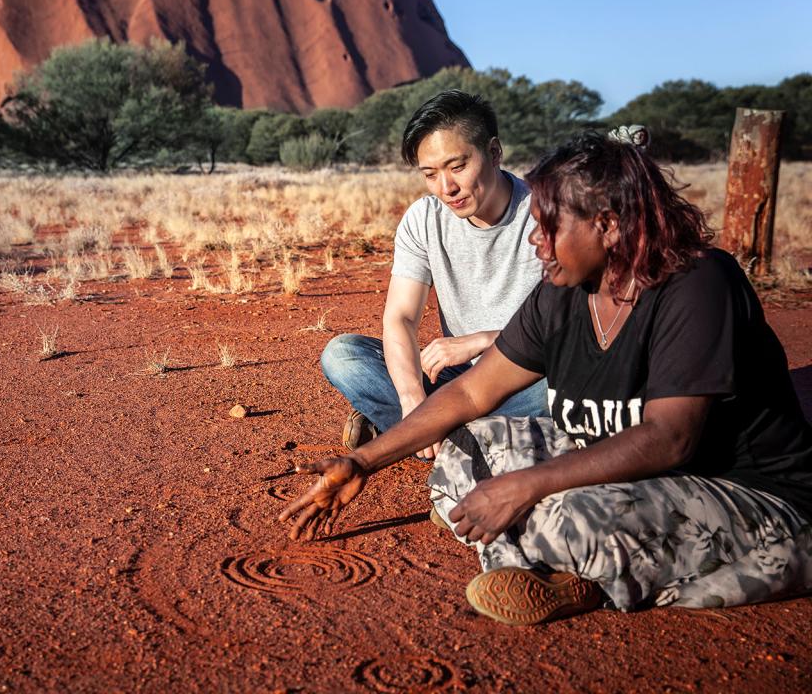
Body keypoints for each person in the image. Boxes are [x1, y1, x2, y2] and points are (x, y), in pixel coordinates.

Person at [280, 131, 812, 625]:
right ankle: (566, 561)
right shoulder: (565, 292)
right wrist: (363, 462)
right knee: (463, 453)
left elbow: (670, 439)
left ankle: (576, 571)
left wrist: (524, 486)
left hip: (745, 492)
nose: (536, 240)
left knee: (566, 514)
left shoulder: (696, 283)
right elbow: (472, 390)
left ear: (608, 225)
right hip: (630, 473)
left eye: (550, 226)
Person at [320, 90, 548, 459]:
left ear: (493, 152)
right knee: (343, 355)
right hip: (457, 379)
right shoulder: (424, 219)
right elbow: (401, 317)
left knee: (559, 386)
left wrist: (485, 340)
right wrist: (412, 398)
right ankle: (462, 434)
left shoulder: (546, 215)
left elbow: (576, 332)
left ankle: (424, 434)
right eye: (430, 174)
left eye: (457, 167)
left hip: (524, 375)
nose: (446, 188)